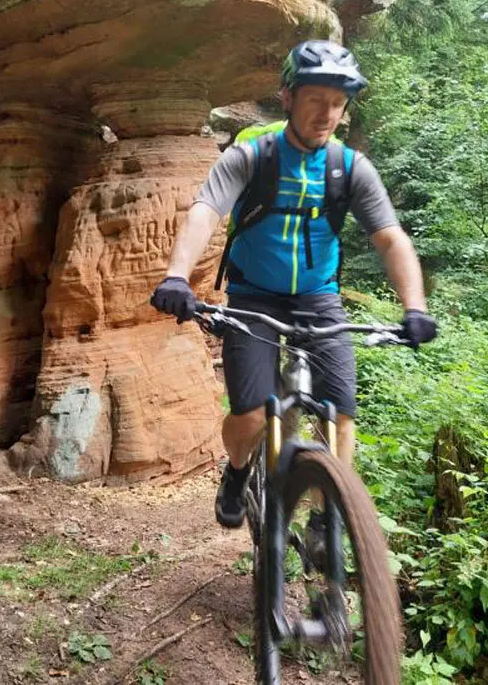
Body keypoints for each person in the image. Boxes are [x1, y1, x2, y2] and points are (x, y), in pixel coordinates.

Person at [150, 40, 437, 534]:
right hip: (253, 297)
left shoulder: (350, 168)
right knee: (251, 416)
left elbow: (391, 238)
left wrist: (414, 307)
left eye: (338, 103)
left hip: (318, 297)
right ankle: (238, 471)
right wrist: (177, 275)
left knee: (339, 417)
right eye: (316, 99)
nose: (327, 114)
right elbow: (205, 212)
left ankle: (327, 516)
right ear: (287, 97)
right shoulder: (251, 158)